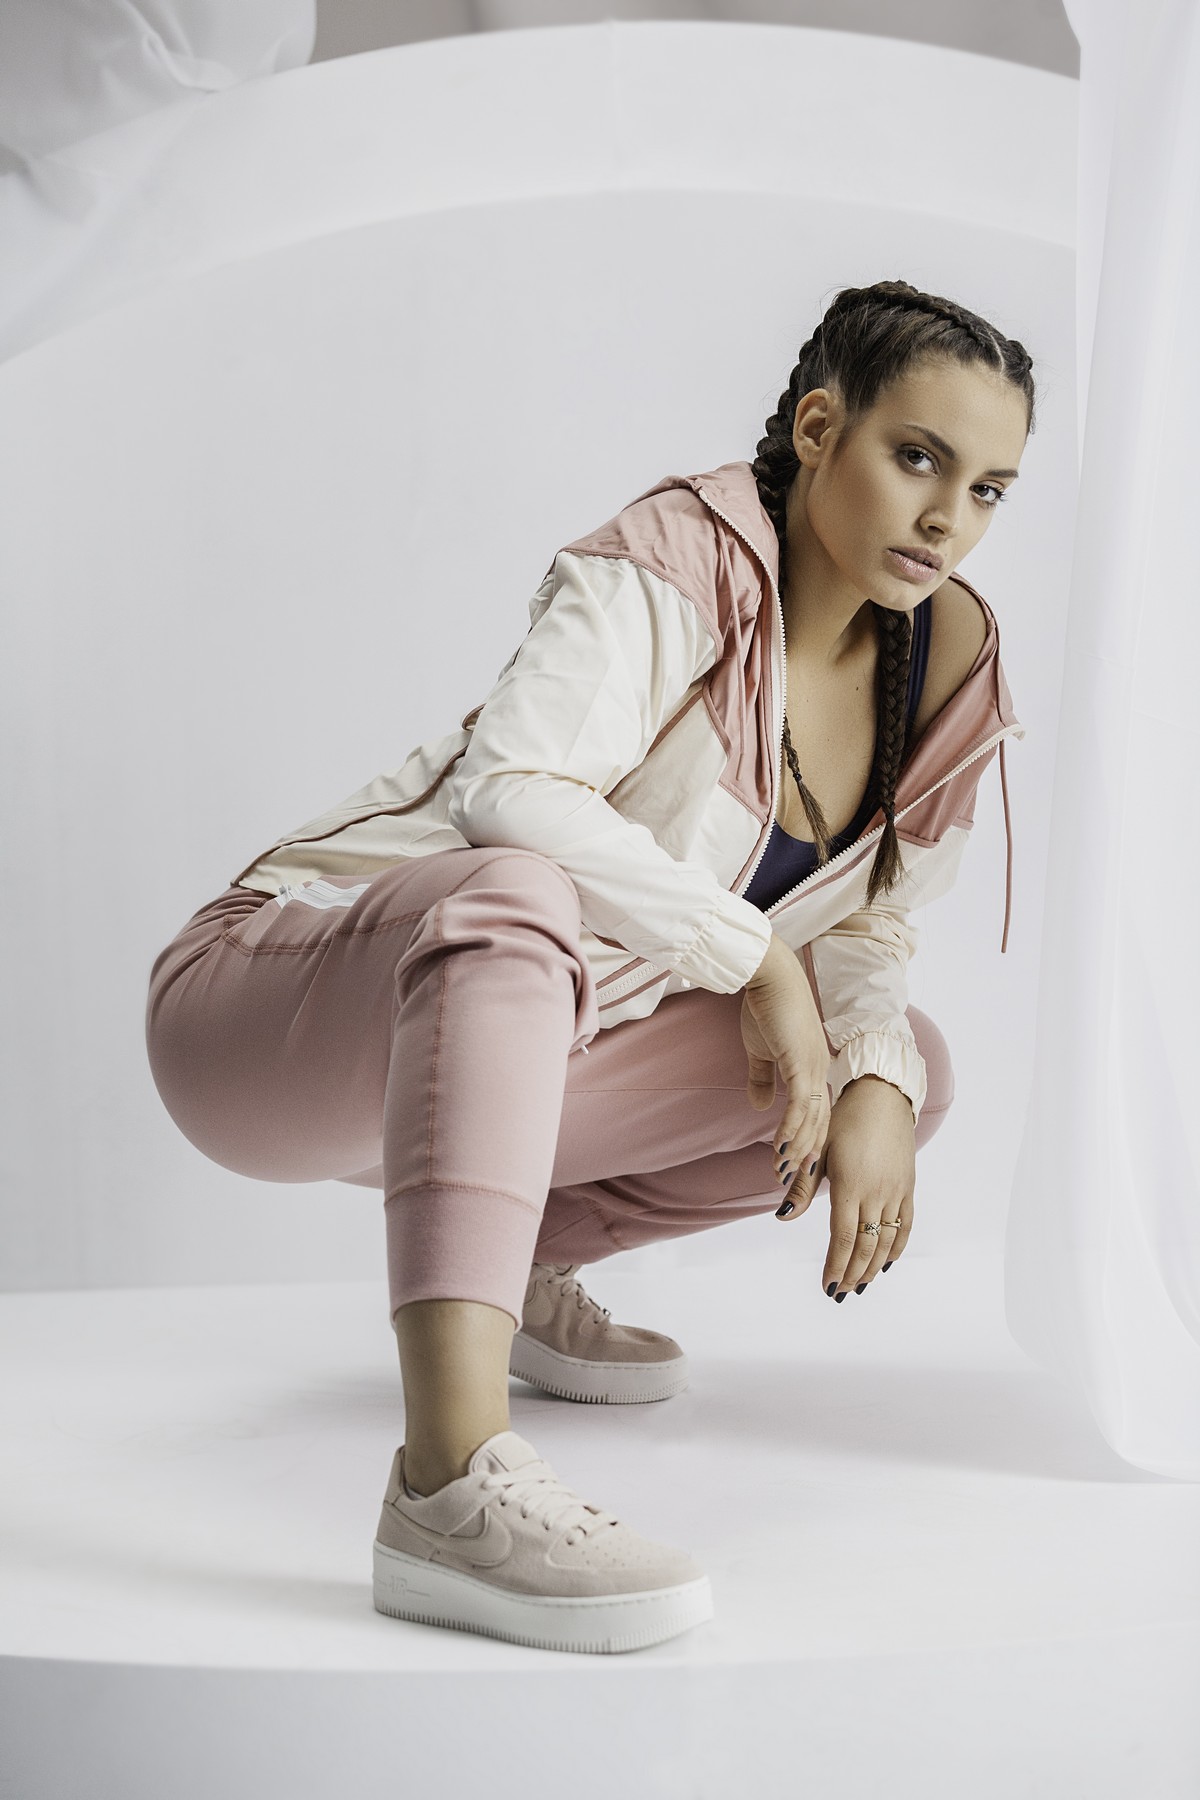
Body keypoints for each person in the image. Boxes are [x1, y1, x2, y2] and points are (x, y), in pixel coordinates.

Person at [144, 277, 1032, 1656]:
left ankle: (519, 1271)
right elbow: (512, 790)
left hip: (520, 1051)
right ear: (820, 429)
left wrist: (868, 1073)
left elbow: (870, 923)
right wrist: (757, 961)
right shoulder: (680, 555)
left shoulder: (941, 673)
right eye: (918, 457)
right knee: (515, 894)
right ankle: (447, 1485)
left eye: (987, 490)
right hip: (268, 1007)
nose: (947, 519)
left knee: (910, 1067)